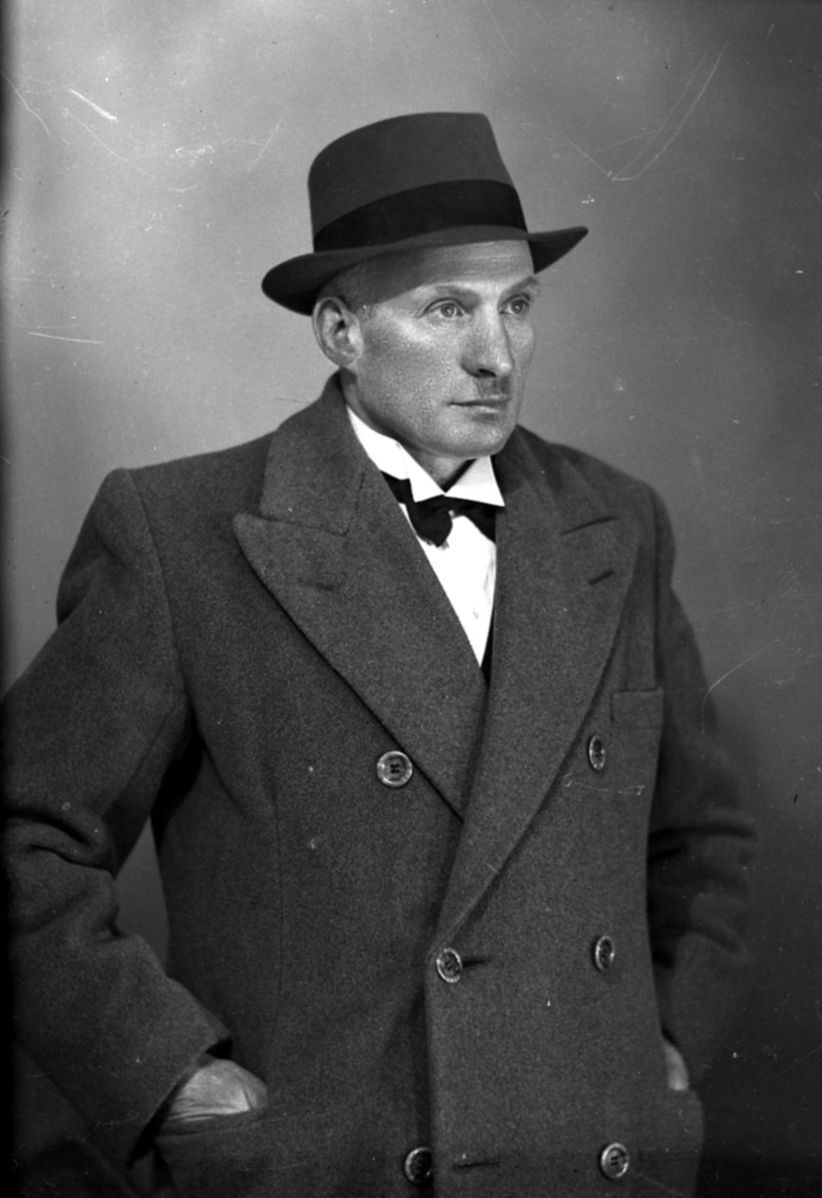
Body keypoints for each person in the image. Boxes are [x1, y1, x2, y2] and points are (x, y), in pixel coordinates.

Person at [4, 112, 754, 1197]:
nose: (496, 354)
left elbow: (705, 836)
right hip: (336, 1164)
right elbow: (25, 833)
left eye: (517, 304)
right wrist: (168, 1077)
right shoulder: (181, 535)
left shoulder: (617, 523)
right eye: (446, 308)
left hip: (593, 1156)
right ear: (341, 332)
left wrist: (666, 1049)